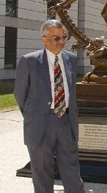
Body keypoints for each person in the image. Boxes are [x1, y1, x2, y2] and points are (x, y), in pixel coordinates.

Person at [14, 20, 84, 192]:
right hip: (41, 124)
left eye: (63, 37)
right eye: (56, 38)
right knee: (42, 170)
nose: (61, 42)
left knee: (72, 168)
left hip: (66, 122)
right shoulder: (29, 61)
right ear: (43, 39)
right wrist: (35, 116)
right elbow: (20, 95)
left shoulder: (71, 59)